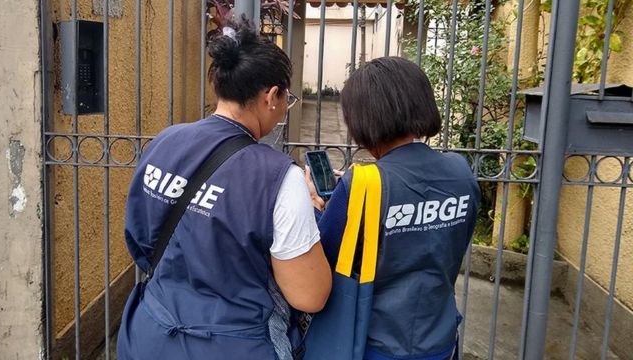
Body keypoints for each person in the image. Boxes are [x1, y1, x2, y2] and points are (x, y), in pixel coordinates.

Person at [117, 17, 331, 360]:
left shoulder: (164, 142)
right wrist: (311, 212)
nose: (283, 111)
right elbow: (309, 296)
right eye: (286, 100)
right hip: (235, 344)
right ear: (271, 96)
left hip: (151, 334)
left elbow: (140, 238)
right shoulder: (280, 178)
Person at [308, 56, 480, 360]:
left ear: (362, 119)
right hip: (441, 340)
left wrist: (318, 207)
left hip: (375, 345)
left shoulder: (361, 183)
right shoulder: (460, 171)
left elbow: (322, 263)